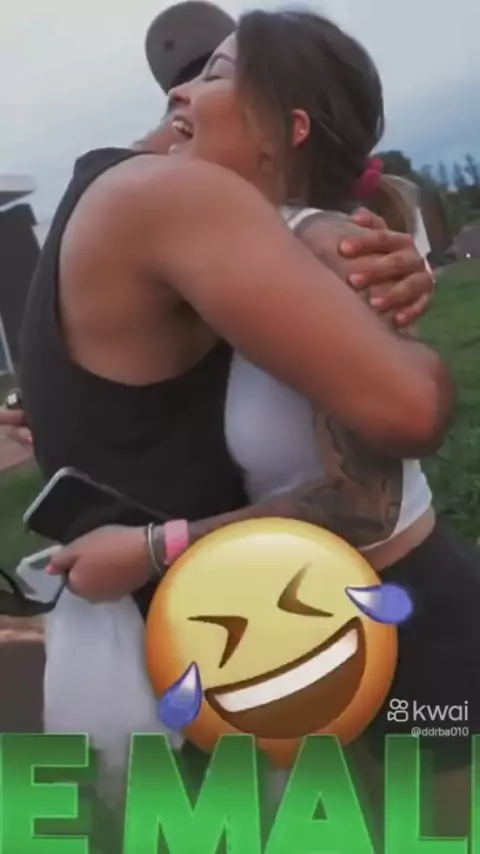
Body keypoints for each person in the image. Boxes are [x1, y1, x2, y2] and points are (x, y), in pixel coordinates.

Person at [39, 11, 480, 827]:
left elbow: (365, 505)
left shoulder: (332, 255)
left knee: (441, 837)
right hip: (317, 628)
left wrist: (149, 549)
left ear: (290, 127)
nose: (180, 93)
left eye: (214, 74)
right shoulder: (244, 262)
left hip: (412, 622)